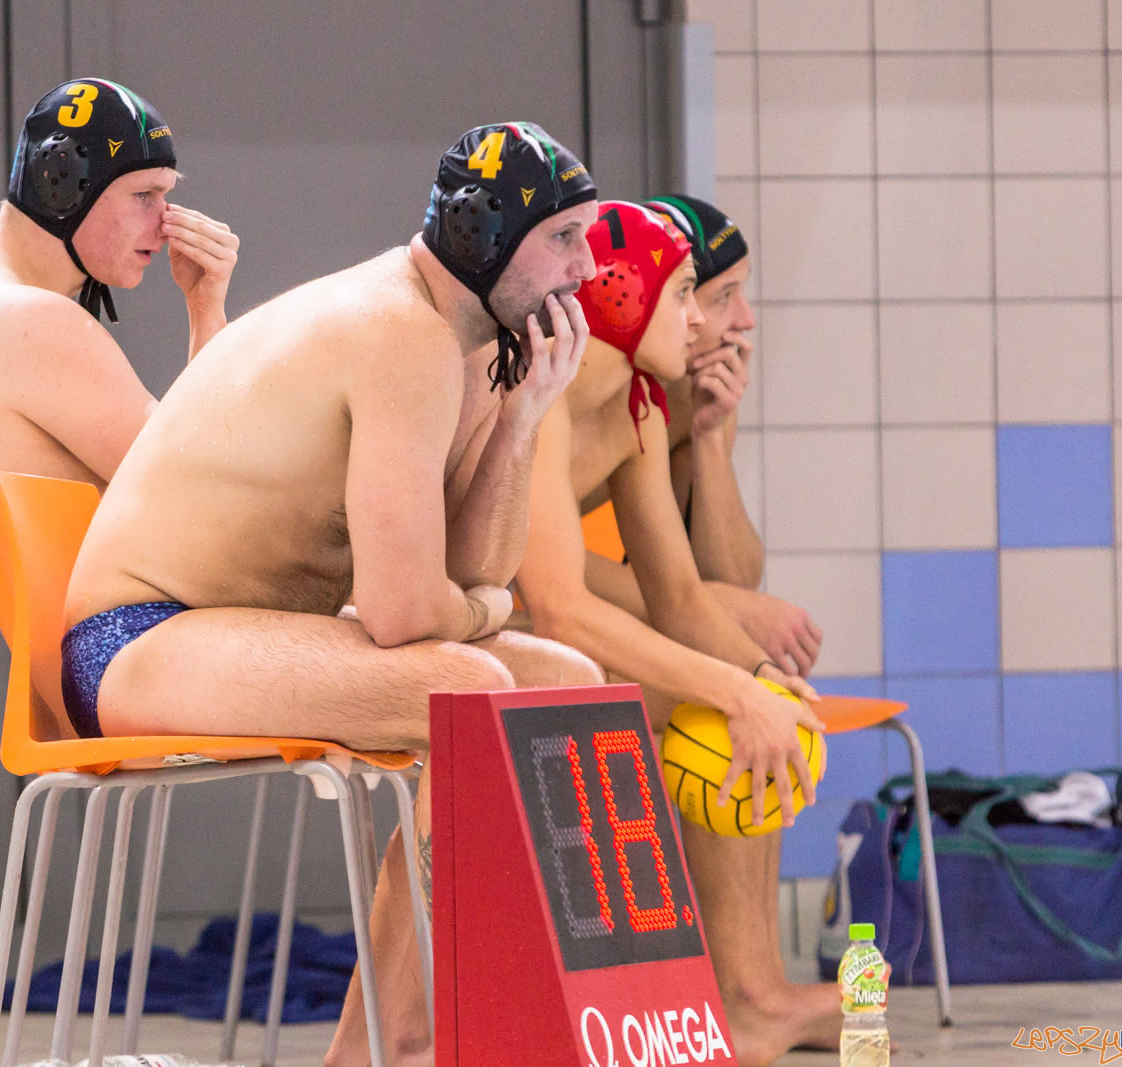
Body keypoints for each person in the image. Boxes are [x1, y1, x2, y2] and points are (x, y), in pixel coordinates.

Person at [62, 123, 607, 1064]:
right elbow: (409, 612)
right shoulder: (399, 332)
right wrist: (480, 615)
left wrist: (521, 418)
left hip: (241, 633)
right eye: (564, 238)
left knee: (569, 681)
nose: (586, 265)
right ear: (487, 236)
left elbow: (476, 573)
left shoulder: (469, 346)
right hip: (137, 638)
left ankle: (415, 1038)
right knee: (468, 690)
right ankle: (392, 1045)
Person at [516, 200, 837, 1064]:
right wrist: (732, 679)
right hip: (453, 614)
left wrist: (767, 680)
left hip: (514, 605)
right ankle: (738, 990)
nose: (712, 320)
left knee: (745, 703)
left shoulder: (641, 406)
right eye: (697, 292)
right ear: (623, 294)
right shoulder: (542, 390)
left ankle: (749, 992)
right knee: (717, 696)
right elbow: (549, 594)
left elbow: (692, 592)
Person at [0, 78, 240, 506]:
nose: (166, 222)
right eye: (144, 195)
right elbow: (210, 489)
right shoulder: (26, 320)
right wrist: (207, 314)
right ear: (64, 184)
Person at [578, 193, 823, 678]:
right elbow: (529, 566)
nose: (746, 319)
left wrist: (709, 436)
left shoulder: (669, 399)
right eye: (722, 297)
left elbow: (721, 581)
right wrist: (724, 612)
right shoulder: (562, 398)